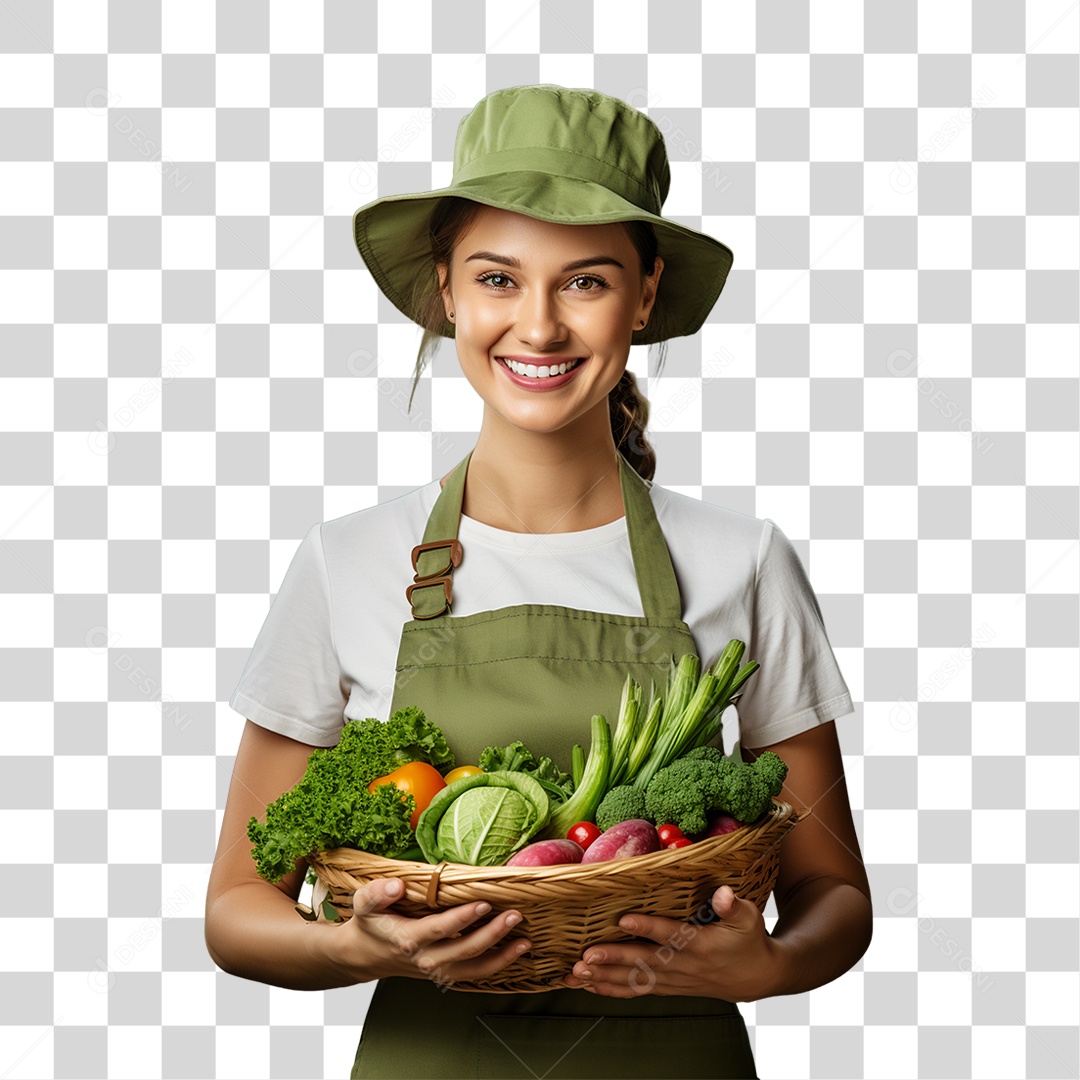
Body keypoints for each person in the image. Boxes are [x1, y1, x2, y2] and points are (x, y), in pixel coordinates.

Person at [205, 84, 873, 1080]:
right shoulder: (349, 562)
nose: (541, 326)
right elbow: (236, 910)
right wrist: (350, 947)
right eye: (499, 278)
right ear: (449, 293)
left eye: (586, 282)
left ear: (644, 297)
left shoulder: (744, 560)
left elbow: (837, 898)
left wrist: (764, 966)